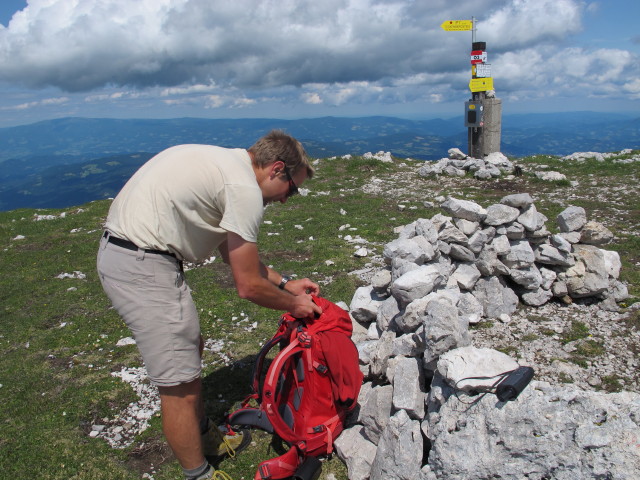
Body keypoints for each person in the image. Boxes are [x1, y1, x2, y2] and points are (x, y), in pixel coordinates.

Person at [97, 130, 323, 480]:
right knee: (180, 387)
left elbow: (230, 253)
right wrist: (295, 304)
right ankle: (199, 473)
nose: (286, 200)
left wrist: (284, 283)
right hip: (141, 262)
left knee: (189, 349)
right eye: (292, 188)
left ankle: (203, 434)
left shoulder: (228, 166)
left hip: (133, 253)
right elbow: (247, 285)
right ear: (277, 168)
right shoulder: (244, 189)